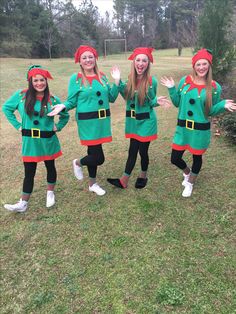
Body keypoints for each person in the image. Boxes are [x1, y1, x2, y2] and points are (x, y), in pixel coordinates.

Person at [161, 48, 236, 197]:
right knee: (175, 158)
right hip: (183, 129)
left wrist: (222, 106)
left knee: (197, 157)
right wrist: (171, 89)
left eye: (204, 64)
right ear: (194, 66)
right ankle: (187, 173)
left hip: (200, 130)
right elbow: (177, 102)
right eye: (198, 64)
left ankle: (190, 183)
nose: (201, 67)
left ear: (209, 66)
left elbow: (211, 111)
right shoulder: (185, 82)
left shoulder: (214, 87)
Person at [48, 45, 120, 196]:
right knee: (98, 157)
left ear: (95, 58)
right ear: (79, 61)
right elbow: (72, 101)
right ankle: (77, 163)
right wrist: (63, 106)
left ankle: (92, 184)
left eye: (90, 57)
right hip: (88, 123)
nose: (88, 60)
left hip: (102, 122)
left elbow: (112, 98)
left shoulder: (102, 76)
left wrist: (117, 81)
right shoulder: (77, 79)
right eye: (84, 58)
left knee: (93, 152)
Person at [2, 65, 69, 212]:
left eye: (42, 80)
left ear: (46, 81)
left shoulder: (52, 99)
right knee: (29, 172)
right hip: (30, 142)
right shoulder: (21, 96)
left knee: (50, 166)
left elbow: (65, 114)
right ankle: (23, 203)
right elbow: (6, 108)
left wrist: (58, 126)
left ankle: (50, 193)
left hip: (48, 140)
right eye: (36, 80)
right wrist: (18, 125)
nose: (39, 83)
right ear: (30, 82)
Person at [107, 47, 170, 189]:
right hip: (133, 122)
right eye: (138, 60)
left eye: (144, 61)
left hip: (147, 122)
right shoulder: (129, 79)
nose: (141, 63)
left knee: (143, 151)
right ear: (134, 62)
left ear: (148, 64)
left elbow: (151, 101)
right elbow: (125, 96)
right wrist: (117, 81)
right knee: (132, 150)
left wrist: (157, 102)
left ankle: (143, 175)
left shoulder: (151, 81)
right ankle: (124, 180)